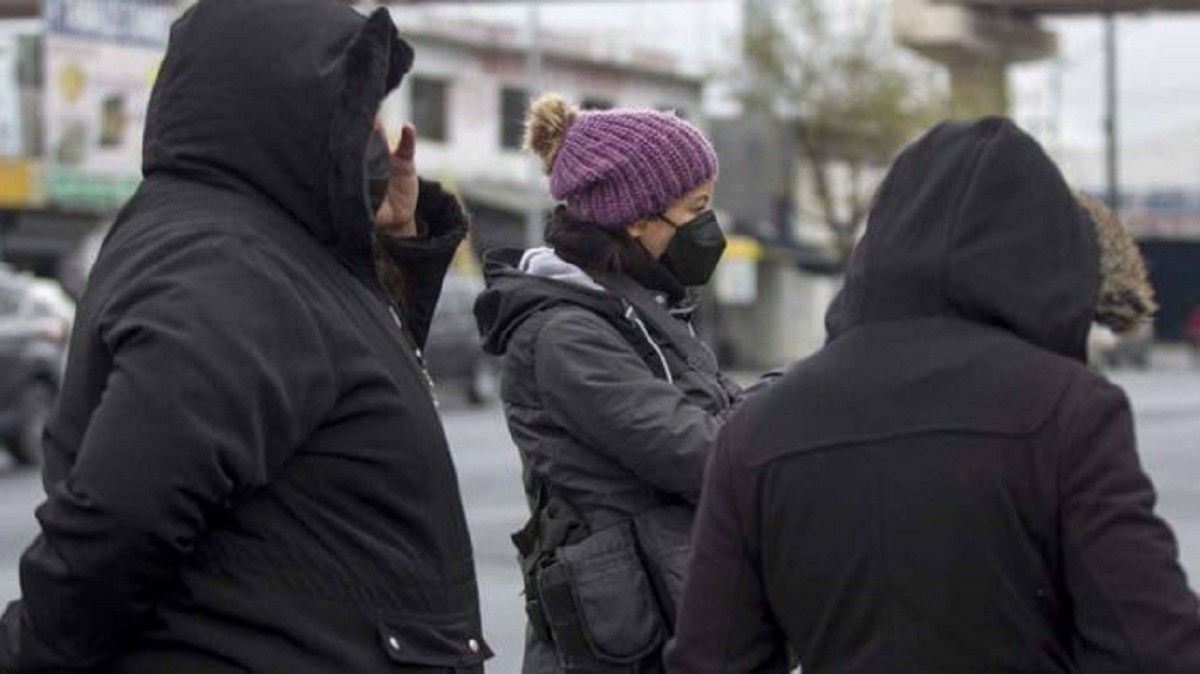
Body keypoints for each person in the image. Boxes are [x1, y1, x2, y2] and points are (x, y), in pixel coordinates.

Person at [0, 1, 489, 672]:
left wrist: (394, 248)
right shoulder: (225, 262)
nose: (377, 132)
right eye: (357, 105)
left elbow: (341, 388)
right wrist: (32, 653)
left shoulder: (272, 244)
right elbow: (122, 520)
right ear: (284, 104)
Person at [668, 117, 1200, 672]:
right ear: (1053, 259)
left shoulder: (758, 428)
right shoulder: (1069, 410)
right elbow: (1153, 649)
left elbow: (712, 659)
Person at [474, 93, 761, 673]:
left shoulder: (642, 311)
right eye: (696, 207)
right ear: (636, 218)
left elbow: (725, 411)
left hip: (665, 616)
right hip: (616, 646)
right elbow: (699, 453)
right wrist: (805, 405)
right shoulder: (564, 335)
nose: (709, 227)